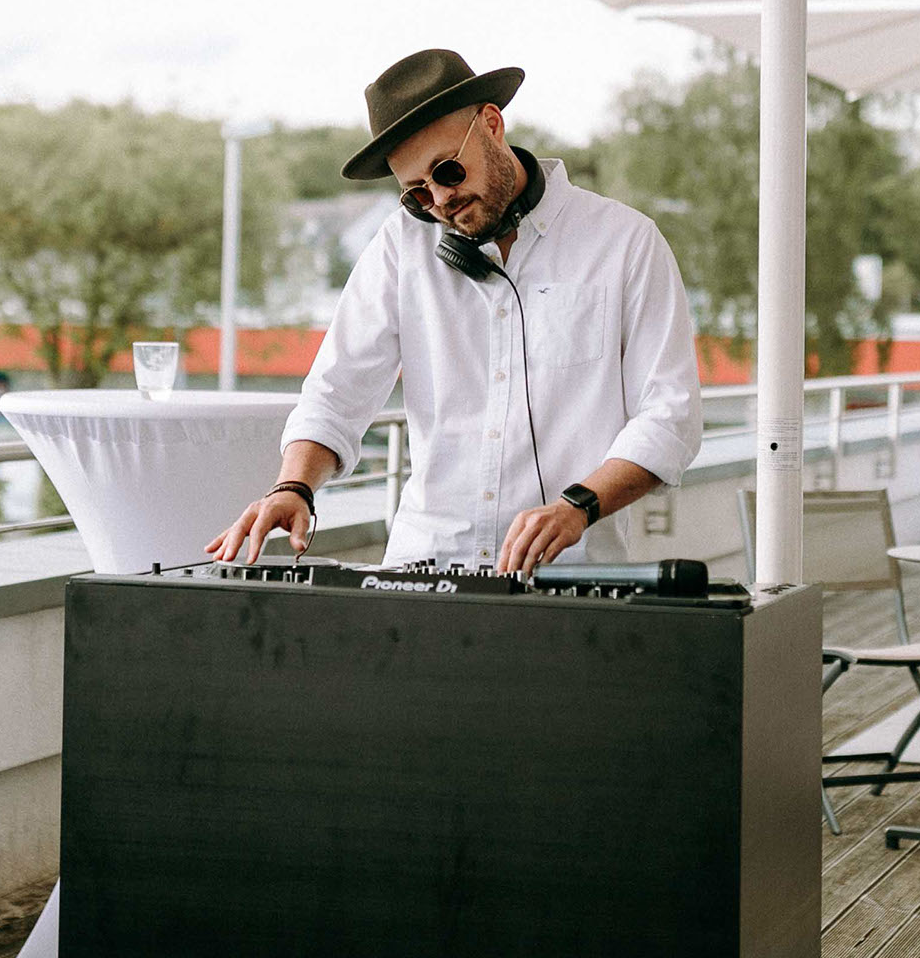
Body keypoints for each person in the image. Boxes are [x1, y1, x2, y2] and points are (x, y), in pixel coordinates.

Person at [209, 48, 703, 573]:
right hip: (422, 569)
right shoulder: (402, 246)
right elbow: (336, 389)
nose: (440, 200)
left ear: (492, 124)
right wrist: (295, 486)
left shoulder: (623, 242)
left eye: (446, 170)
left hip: (568, 572)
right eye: (416, 193)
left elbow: (670, 415)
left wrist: (576, 506)